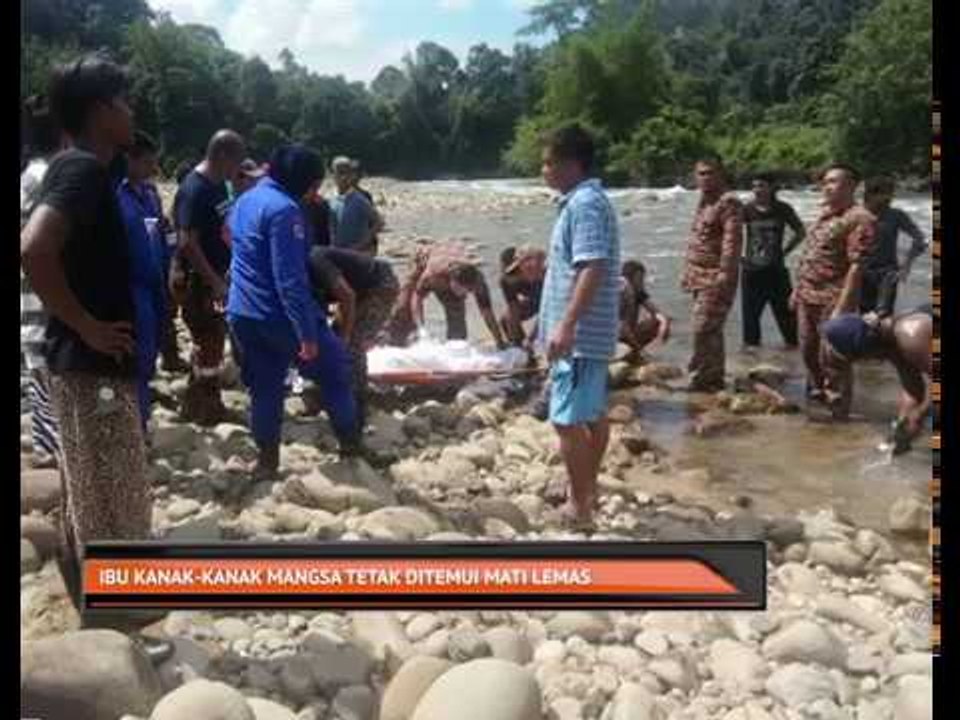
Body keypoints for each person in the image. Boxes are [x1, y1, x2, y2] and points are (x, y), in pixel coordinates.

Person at [20, 54, 171, 662]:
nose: (132, 112)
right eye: (125, 101)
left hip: (82, 366)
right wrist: (84, 323)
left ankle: (97, 615)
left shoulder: (84, 170)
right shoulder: (81, 169)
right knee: (114, 496)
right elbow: (33, 249)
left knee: (92, 494)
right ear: (102, 110)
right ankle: (120, 628)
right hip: (89, 366)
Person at [227, 145, 362, 478]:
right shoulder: (285, 210)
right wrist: (306, 334)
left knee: (265, 386)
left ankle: (267, 463)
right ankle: (351, 448)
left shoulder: (245, 199)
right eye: (314, 185)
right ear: (303, 181)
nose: (314, 192)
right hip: (279, 316)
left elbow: (229, 237)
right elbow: (288, 279)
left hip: (243, 311)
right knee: (335, 371)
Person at [538, 124, 620, 530]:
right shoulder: (584, 201)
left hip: (581, 338)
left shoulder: (585, 204)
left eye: (549, 161)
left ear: (571, 164)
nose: (543, 169)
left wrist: (566, 325)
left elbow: (592, 266)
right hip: (587, 334)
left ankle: (581, 508)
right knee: (591, 415)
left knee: (567, 420)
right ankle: (586, 490)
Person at [790, 163, 876, 419]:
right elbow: (810, 256)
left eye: (833, 181)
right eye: (825, 182)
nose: (826, 187)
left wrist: (842, 307)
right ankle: (818, 403)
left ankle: (839, 416)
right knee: (808, 352)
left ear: (851, 186)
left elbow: (857, 266)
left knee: (834, 360)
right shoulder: (827, 215)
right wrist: (797, 290)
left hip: (833, 299)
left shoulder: (860, 218)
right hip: (808, 296)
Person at [173, 129, 246, 425]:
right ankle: (207, 404)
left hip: (217, 276)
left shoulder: (219, 186)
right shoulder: (195, 188)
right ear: (221, 155)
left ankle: (195, 400)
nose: (238, 169)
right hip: (200, 282)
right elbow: (187, 242)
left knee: (211, 339)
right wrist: (214, 282)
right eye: (236, 162)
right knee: (210, 340)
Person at [306, 246, 400, 429]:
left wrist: (346, 336)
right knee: (333, 339)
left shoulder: (316, 260)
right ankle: (332, 395)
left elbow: (348, 296)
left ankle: (358, 405)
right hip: (357, 291)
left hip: (380, 286)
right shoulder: (300, 270)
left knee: (353, 345)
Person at [822, 306, 932, 454]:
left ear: (867, 349)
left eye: (865, 358)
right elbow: (913, 389)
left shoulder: (910, 336)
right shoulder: (893, 345)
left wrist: (920, 414)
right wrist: (901, 426)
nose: (872, 360)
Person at [20, 95, 62, 468]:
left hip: (34, 304)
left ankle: (51, 457)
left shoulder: (29, 176)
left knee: (42, 382)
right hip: (52, 308)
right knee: (53, 384)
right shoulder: (51, 179)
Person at [116, 130, 167, 429]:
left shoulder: (150, 196)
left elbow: (161, 234)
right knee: (137, 354)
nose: (153, 169)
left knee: (151, 351)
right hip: (131, 288)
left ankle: (140, 417)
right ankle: (135, 424)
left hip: (155, 284)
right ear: (130, 160)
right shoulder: (113, 195)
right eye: (148, 162)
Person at [680, 156, 744, 392]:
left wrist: (725, 274)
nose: (704, 178)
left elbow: (732, 241)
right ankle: (712, 378)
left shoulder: (729, 202)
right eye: (700, 174)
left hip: (716, 276)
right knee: (711, 329)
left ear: (721, 174)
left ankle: (701, 374)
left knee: (702, 326)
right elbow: (699, 239)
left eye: (709, 173)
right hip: (698, 275)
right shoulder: (704, 200)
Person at [383, 241, 507, 348]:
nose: (464, 294)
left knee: (458, 327)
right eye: (461, 289)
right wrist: (421, 328)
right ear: (451, 281)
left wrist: (499, 342)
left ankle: (452, 352)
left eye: (468, 291)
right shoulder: (433, 275)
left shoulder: (479, 282)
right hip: (422, 263)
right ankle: (391, 343)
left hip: (451, 262)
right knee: (403, 308)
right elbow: (417, 298)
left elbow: (487, 313)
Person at [740, 173, 805, 348]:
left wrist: (785, 252)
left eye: (761, 185)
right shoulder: (746, 210)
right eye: (754, 186)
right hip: (751, 272)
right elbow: (731, 234)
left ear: (771, 188)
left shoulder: (783, 209)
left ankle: (793, 358)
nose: (757, 190)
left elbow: (801, 232)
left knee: (789, 320)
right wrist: (739, 257)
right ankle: (750, 360)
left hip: (776, 271)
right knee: (750, 321)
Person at [860, 176, 928, 316]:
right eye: (886, 194)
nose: (890, 198)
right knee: (863, 315)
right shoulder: (855, 215)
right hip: (859, 273)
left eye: (891, 194)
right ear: (870, 194)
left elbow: (921, 239)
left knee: (883, 314)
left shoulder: (896, 215)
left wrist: (906, 265)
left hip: (888, 273)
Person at [619, 260, 671, 363]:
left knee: (658, 321)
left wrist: (664, 324)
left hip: (628, 333)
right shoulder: (622, 291)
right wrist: (640, 349)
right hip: (617, 336)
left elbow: (657, 313)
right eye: (640, 278)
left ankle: (634, 352)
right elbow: (621, 326)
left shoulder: (638, 292)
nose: (642, 281)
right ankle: (633, 353)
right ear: (630, 277)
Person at [499, 244, 546, 347]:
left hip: (553, 303)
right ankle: (524, 354)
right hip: (534, 300)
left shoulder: (546, 276)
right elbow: (513, 309)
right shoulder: (507, 280)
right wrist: (515, 340)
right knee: (505, 319)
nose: (516, 275)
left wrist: (531, 338)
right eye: (510, 273)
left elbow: (546, 312)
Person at [329, 156, 378, 254]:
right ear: (333, 175)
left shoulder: (359, 199)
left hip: (358, 255)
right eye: (340, 173)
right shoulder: (331, 199)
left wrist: (361, 245)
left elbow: (378, 222)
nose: (344, 177)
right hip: (339, 254)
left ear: (351, 174)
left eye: (347, 173)